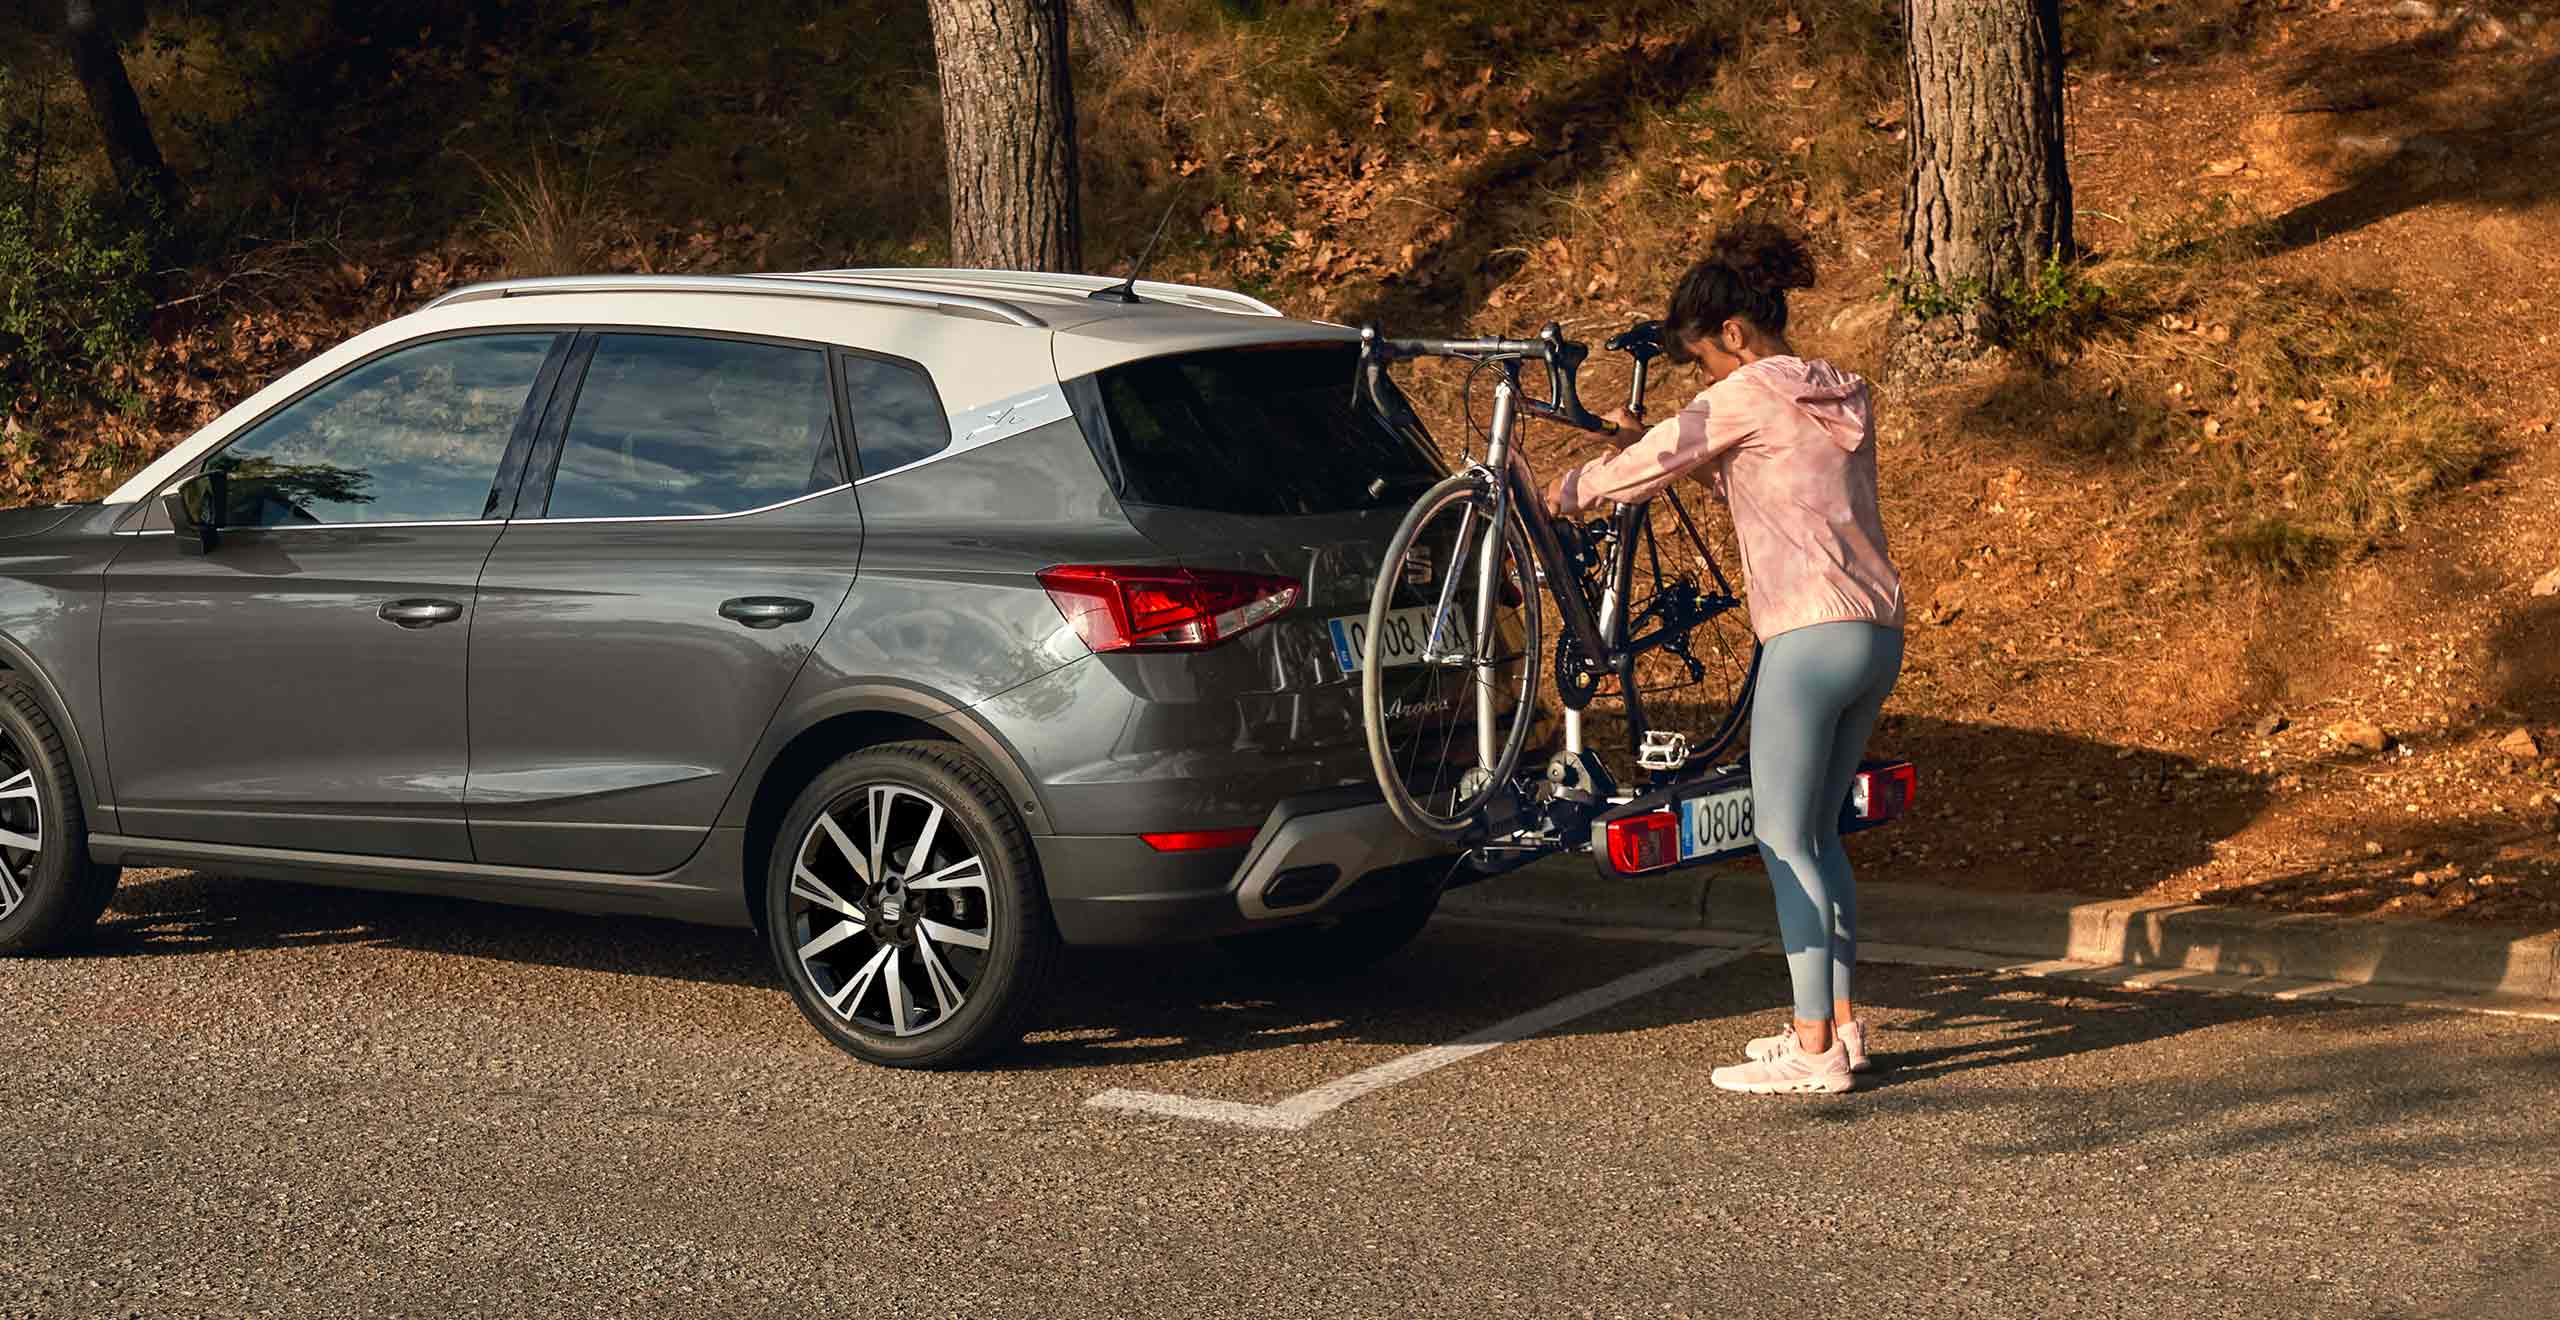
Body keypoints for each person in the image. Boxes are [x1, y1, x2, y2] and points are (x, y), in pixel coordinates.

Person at [1544, 223, 1906, 1096]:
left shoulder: (1746, 391)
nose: (1711, 376)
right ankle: (1841, 1029)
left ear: (1734, 336)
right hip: (1874, 633)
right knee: (1821, 834)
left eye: (1705, 360)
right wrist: (1676, 443)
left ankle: (1813, 1049)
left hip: (1807, 639)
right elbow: (1765, 478)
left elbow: (1634, 475)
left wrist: (1561, 492)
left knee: (1783, 838)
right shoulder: (1839, 394)